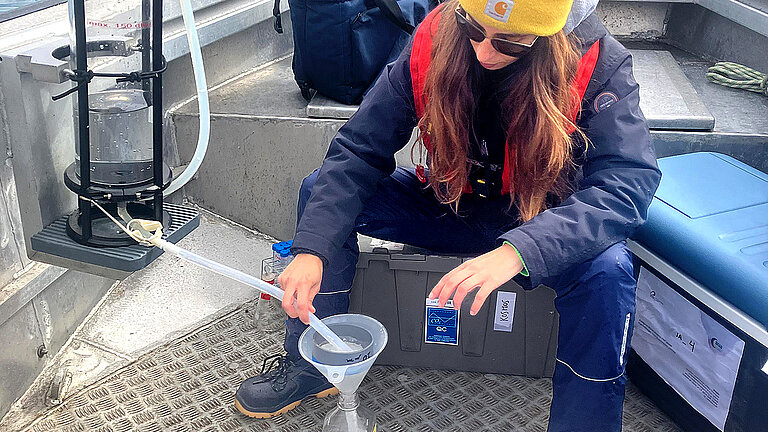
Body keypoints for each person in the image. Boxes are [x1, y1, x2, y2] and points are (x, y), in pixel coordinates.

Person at [235, 0, 661, 429]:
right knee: (317, 196)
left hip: (536, 220)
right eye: (472, 28)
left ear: (545, 36)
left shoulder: (598, 59)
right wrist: (312, 251)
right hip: (450, 204)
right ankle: (316, 366)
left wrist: (519, 252)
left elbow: (628, 182)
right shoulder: (434, 37)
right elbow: (359, 150)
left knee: (609, 267)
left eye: (509, 43)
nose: (484, 52)